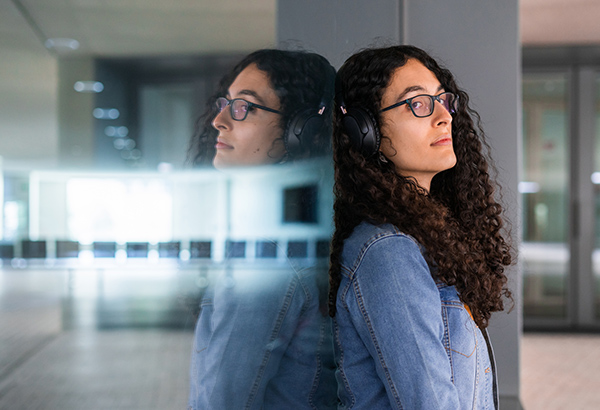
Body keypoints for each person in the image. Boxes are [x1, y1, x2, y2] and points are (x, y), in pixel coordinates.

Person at [328, 45, 512, 409]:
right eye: (418, 103)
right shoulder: (388, 251)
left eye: (442, 100)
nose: (444, 115)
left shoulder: (424, 238)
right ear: (368, 132)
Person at [187, 49, 337, 409]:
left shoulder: (268, 251)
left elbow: (222, 400)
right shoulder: (302, 233)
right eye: (226, 104)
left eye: (245, 107)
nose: (220, 120)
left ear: (299, 131)